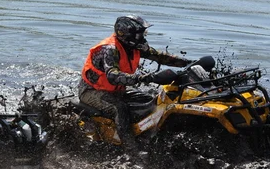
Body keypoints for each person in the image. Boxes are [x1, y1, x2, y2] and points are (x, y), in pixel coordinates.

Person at [78, 14, 192, 146]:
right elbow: (113, 76)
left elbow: (160, 57)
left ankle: (148, 137)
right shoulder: (109, 49)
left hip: (116, 91)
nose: (143, 37)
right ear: (126, 34)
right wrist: (143, 78)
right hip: (91, 92)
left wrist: (188, 63)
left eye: (143, 34)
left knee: (152, 100)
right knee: (120, 108)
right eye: (139, 34)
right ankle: (131, 150)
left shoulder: (133, 47)